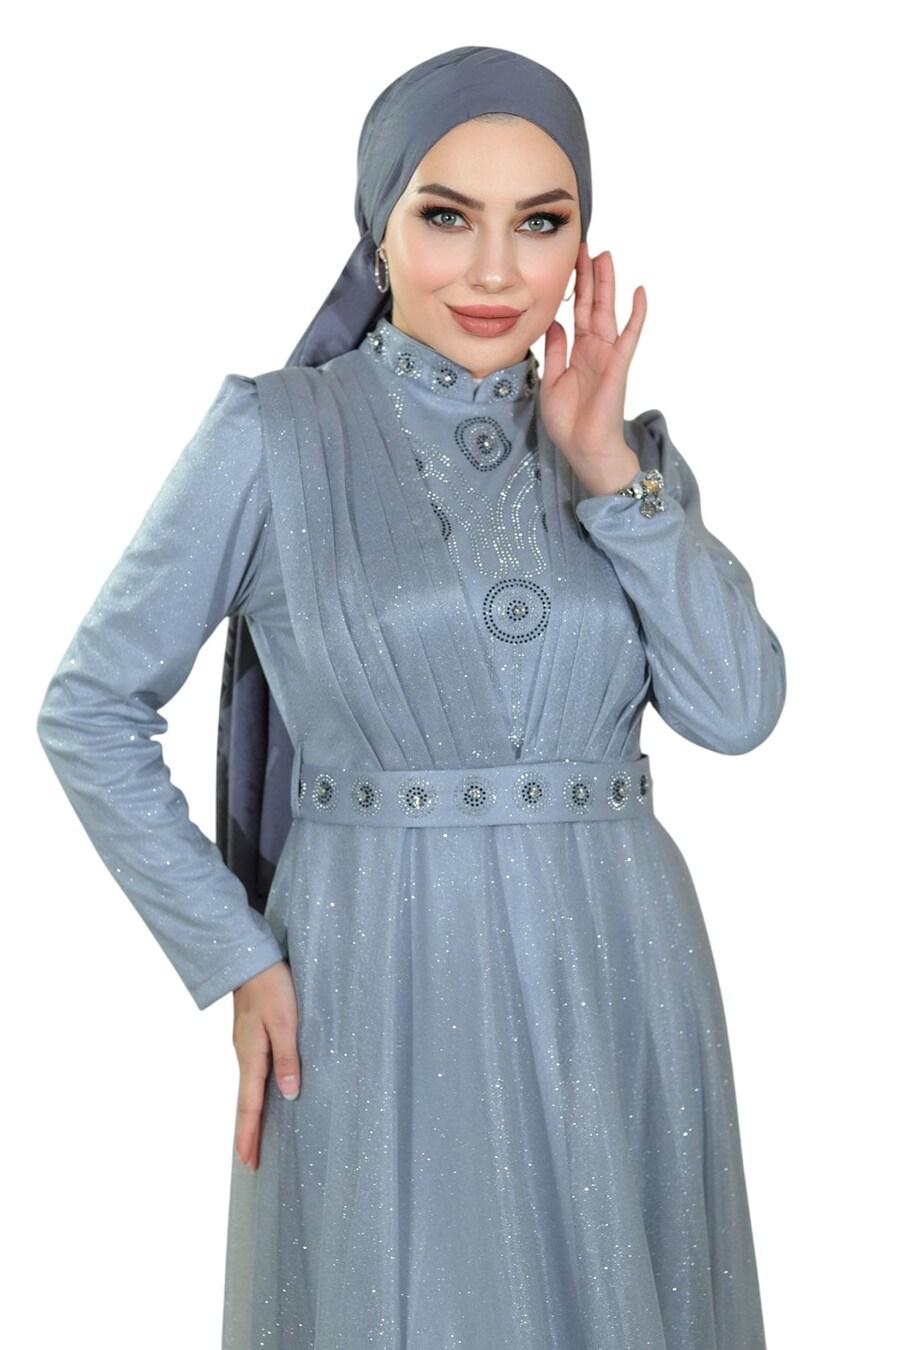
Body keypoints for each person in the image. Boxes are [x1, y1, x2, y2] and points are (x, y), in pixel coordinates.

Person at [36, 44, 786, 1350]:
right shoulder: (273, 432)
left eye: (540, 223)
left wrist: (610, 470)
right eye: (447, 216)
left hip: (618, 958)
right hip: (376, 962)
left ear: (581, 245)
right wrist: (233, 952)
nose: (494, 270)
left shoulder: (626, 457)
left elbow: (738, 709)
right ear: (377, 228)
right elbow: (91, 705)